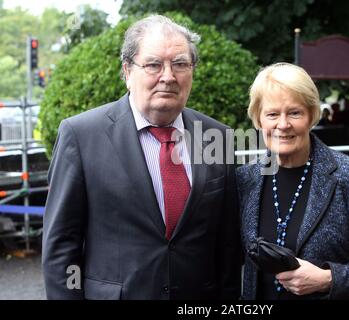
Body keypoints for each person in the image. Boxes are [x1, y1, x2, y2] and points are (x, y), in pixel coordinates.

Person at [42, 15, 241, 300]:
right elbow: (61, 247)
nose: (168, 76)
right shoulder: (82, 135)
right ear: (127, 71)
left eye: (181, 64)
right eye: (153, 64)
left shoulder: (217, 136)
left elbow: (228, 247)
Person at [237, 63, 349, 300]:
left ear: (312, 115)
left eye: (294, 113)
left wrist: (328, 279)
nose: (283, 124)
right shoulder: (245, 179)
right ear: (258, 120)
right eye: (272, 114)